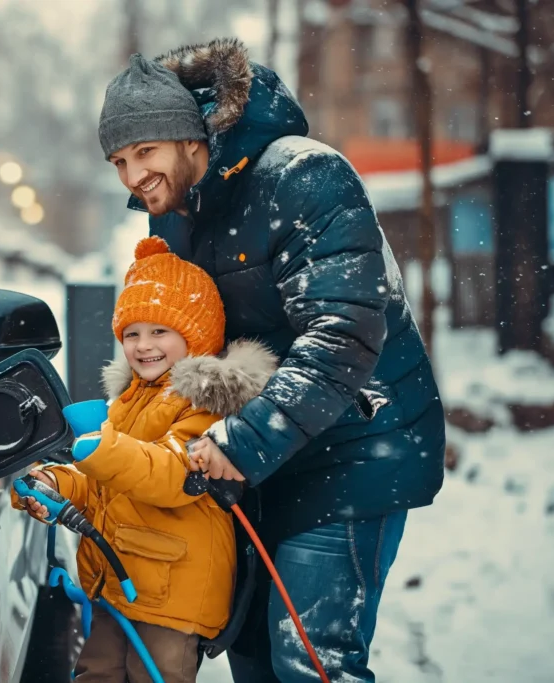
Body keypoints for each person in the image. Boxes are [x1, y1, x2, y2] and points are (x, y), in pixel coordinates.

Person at [97, 39, 446, 682]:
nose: (132, 175)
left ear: (190, 137)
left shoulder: (303, 176)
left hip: (354, 444)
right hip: (256, 462)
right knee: (253, 658)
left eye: (144, 152)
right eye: (119, 160)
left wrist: (247, 439)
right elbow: (185, 336)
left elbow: (343, 333)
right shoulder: (173, 217)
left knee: (309, 659)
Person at [13, 235, 277, 683]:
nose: (142, 345)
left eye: (160, 331)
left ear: (195, 335)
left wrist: (102, 448)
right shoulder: (129, 400)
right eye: (131, 333)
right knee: (95, 673)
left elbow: (171, 474)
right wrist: (58, 482)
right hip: (119, 585)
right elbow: (104, 483)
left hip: (173, 595)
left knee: (155, 675)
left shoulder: (205, 404)